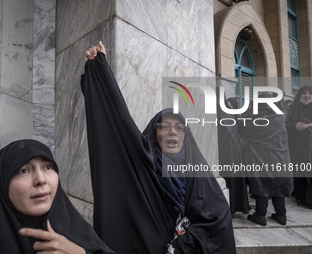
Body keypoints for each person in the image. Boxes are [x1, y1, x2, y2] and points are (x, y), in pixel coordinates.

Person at [80, 41, 236, 254]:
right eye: (165, 127)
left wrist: (182, 246)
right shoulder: (144, 165)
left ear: (185, 136)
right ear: (154, 133)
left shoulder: (197, 171)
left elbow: (217, 218)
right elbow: (115, 124)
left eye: (179, 128)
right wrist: (99, 72)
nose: (173, 132)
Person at [0, 139, 114, 254]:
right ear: (3, 184)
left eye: (48, 167)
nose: (41, 179)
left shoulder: (77, 229)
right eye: (24, 171)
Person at [241, 93, 293, 226]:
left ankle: (260, 215)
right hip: (280, 156)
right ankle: (281, 215)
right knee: (278, 184)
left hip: (261, 155)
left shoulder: (255, 117)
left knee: (262, 184)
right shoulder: (281, 115)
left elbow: (243, 126)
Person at [287, 86, 312, 207]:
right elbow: (286, 124)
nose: (307, 96)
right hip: (297, 147)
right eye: (304, 93)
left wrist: (308, 126)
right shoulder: (294, 108)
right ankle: (300, 196)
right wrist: (294, 125)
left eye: (309, 93)